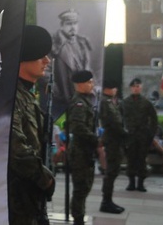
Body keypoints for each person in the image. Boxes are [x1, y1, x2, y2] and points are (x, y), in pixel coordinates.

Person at [8, 25, 55, 225]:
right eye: (41, 55)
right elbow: (15, 148)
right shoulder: (11, 96)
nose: (47, 61)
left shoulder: (25, 94)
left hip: (30, 194)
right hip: (18, 196)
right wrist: (46, 178)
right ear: (25, 56)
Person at [65, 70, 97, 225]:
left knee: (84, 186)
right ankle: (78, 219)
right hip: (80, 152)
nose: (92, 85)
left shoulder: (84, 101)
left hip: (85, 150)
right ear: (80, 84)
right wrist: (95, 139)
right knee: (80, 188)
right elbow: (77, 127)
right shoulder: (79, 103)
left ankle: (79, 216)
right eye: (89, 82)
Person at [50, 9, 93, 116]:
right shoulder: (54, 44)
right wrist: (57, 91)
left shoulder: (83, 43)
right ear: (62, 25)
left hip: (81, 97)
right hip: (62, 97)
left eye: (75, 23)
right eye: (69, 24)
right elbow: (46, 70)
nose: (73, 27)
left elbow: (87, 68)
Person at [121, 77, 158, 192]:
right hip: (130, 135)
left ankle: (141, 183)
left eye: (138, 87)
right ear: (131, 88)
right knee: (131, 159)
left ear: (141, 88)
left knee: (142, 159)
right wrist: (122, 133)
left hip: (143, 135)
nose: (136, 89)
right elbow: (118, 118)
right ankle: (131, 182)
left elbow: (154, 119)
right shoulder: (125, 103)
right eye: (134, 87)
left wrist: (150, 134)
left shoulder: (146, 103)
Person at [97, 80, 125, 213]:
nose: (115, 89)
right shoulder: (105, 102)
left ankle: (108, 200)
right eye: (113, 87)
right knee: (111, 171)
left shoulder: (113, 102)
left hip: (117, 140)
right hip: (112, 140)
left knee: (114, 171)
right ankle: (106, 202)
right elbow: (112, 121)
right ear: (107, 89)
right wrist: (124, 133)